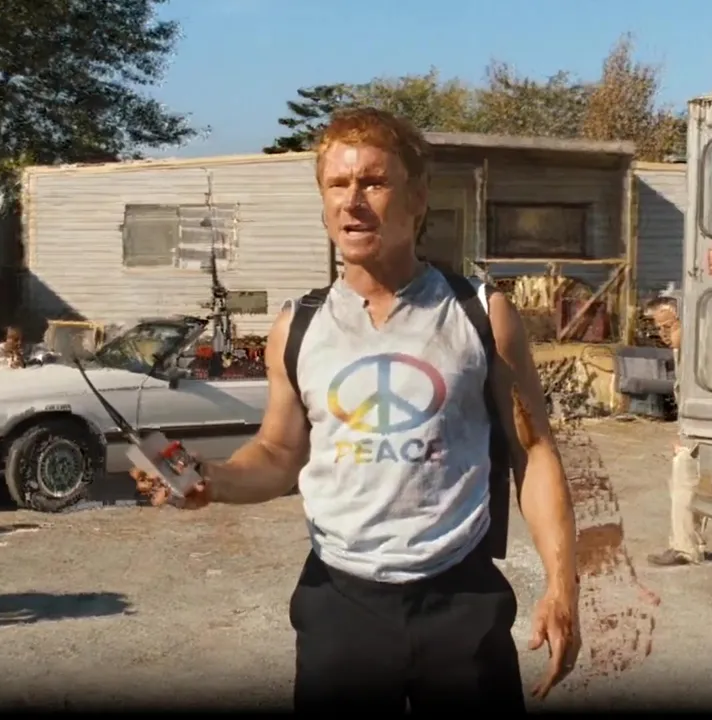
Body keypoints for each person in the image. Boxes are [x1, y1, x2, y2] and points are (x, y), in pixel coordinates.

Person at [131, 107, 581, 711]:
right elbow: (278, 454)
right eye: (337, 184)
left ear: (418, 198)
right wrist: (208, 479)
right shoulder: (297, 326)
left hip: (461, 600)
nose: (353, 201)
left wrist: (562, 585)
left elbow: (534, 451)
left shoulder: (481, 314)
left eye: (374, 182)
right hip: (339, 604)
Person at [642, 294, 707, 568]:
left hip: (702, 429)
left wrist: (687, 436)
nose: (664, 334)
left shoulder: (700, 351)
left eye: (669, 326)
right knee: (688, 485)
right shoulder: (683, 351)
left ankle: (685, 548)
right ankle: (688, 544)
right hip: (692, 428)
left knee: (685, 484)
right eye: (659, 328)